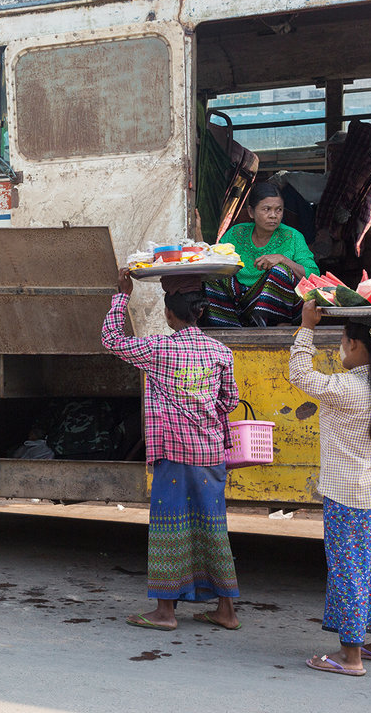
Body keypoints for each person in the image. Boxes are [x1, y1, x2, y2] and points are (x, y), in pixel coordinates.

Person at [102, 270, 242, 631]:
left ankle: (165, 613)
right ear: (199, 313)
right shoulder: (220, 351)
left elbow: (111, 339)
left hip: (175, 454)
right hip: (211, 454)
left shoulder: (159, 349)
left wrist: (123, 296)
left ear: (169, 313)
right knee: (214, 528)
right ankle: (226, 610)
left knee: (169, 529)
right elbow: (230, 401)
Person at [288, 302, 371, 677]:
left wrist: (307, 327)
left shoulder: (345, 388)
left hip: (350, 498)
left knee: (349, 571)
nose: (340, 348)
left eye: (342, 341)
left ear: (358, 347)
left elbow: (299, 373)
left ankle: (350, 656)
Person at [204, 182, 319, 327]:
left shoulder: (293, 237)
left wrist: (283, 259)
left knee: (280, 271)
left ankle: (277, 325)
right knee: (212, 274)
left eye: (279, 210)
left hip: (282, 307)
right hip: (242, 302)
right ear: (251, 212)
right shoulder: (236, 233)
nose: (273, 216)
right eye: (266, 209)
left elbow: (313, 275)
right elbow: (214, 258)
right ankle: (228, 327)